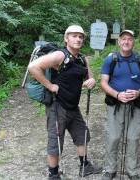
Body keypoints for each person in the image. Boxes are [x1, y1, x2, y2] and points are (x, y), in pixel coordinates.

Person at [28, 25, 102, 180]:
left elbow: (89, 77)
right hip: (57, 106)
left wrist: (92, 81)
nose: (78, 39)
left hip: (73, 107)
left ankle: (84, 166)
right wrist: (50, 86)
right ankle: (53, 175)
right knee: (56, 141)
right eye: (74, 36)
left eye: (80, 36)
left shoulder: (82, 59)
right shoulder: (60, 55)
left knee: (82, 135)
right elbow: (33, 67)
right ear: (66, 38)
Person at [100, 30, 140, 180]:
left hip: (135, 105)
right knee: (113, 137)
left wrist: (139, 92)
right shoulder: (111, 59)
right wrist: (117, 94)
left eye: (129, 39)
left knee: (133, 138)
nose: (126, 42)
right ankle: (110, 169)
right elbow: (103, 82)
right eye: (123, 39)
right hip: (115, 104)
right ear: (119, 42)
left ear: (133, 42)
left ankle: (132, 171)